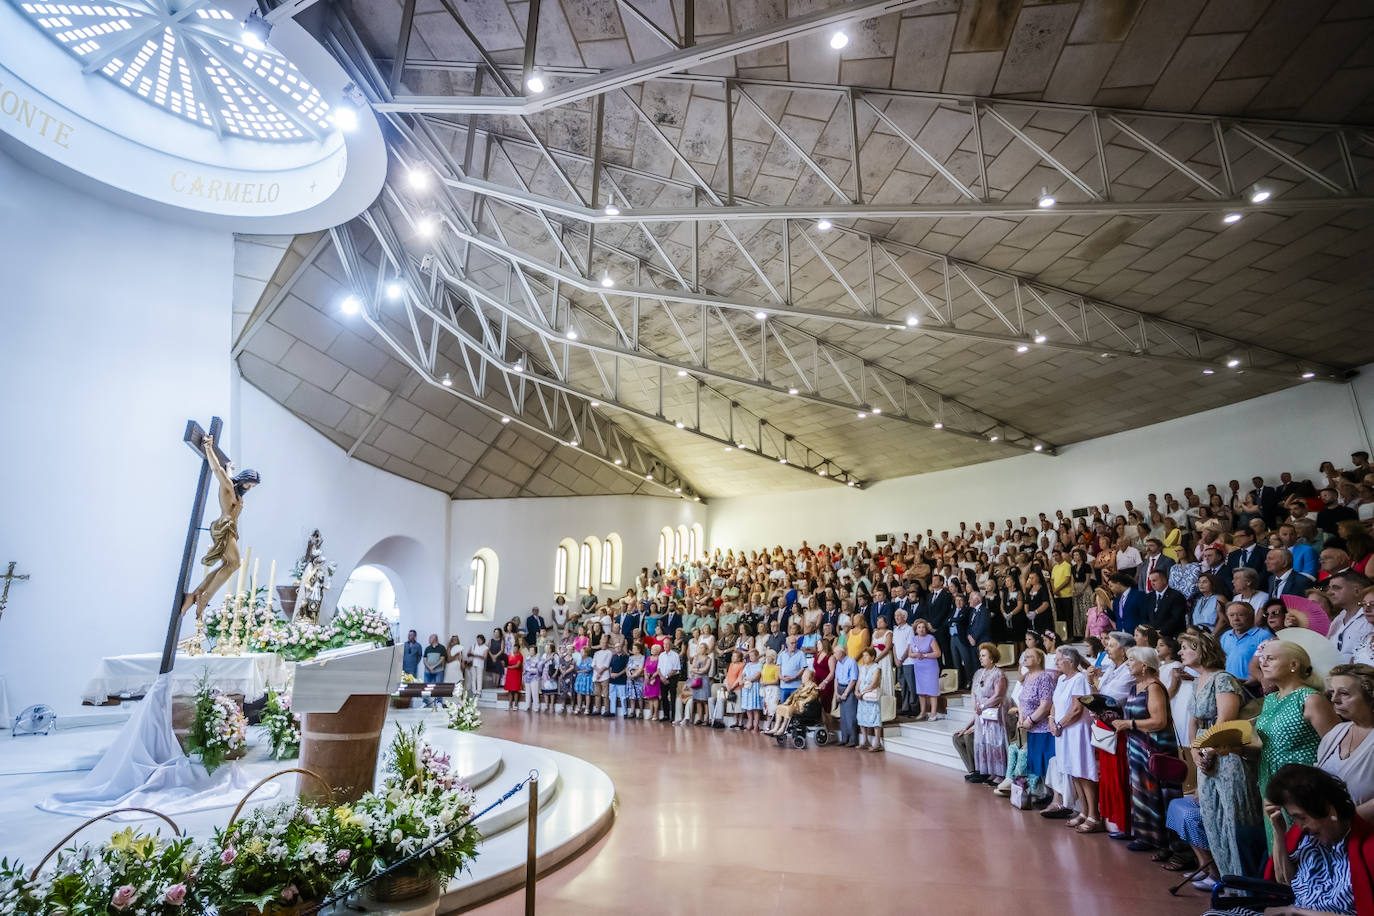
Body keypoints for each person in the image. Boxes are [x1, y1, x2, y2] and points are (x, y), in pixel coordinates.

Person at [1231, 764, 1374, 916]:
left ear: (1328, 809)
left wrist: (1298, 912)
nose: (1299, 826)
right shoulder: (1306, 840)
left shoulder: (1367, 849)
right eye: (1294, 818)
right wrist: (1278, 832)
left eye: (1302, 817)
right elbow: (1284, 882)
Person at [1183, 631, 1266, 884]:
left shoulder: (1223, 679)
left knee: (1233, 817)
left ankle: (1244, 885)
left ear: (1203, 649)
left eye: (1186, 647)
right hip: (1205, 750)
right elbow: (1194, 721)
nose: (1181, 652)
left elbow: (1225, 719)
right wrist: (1195, 752)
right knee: (1212, 818)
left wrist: (1208, 750)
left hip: (1226, 753)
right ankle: (1226, 881)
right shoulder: (1197, 682)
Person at [1253, 640, 1342, 845]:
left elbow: (1337, 747)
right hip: (1271, 780)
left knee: (1305, 845)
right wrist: (1237, 749)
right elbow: (1270, 745)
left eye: (1271, 658)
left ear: (1294, 665)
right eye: (1262, 658)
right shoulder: (1270, 699)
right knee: (1279, 844)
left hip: (1302, 785)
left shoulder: (1311, 699)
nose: (1263, 663)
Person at [1111, 646, 1177, 852]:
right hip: (1137, 747)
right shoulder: (1135, 687)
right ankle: (1146, 835)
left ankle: (1165, 842)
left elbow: (1159, 721)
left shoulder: (1154, 687)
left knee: (1156, 791)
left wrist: (1128, 724)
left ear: (1145, 665)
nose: (1128, 663)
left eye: (1132, 660)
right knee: (1141, 791)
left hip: (1154, 748)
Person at [1046, 647, 1099, 829]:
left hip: (1077, 731)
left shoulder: (1079, 679)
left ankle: (1093, 814)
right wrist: (1052, 720)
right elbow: (1054, 703)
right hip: (1063, 730)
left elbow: (1077, 709)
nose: (1056, 663)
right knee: (1072, 771)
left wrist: (1060, 724)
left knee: (1083, 772)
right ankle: (1083, 811)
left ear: (1070, 661)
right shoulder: (1061, 679)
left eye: (1059, 659)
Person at [1319, 663, 1374, 820]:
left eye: (1344, 693)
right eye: (1332, 693)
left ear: (1371, 697)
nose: (1334, 699)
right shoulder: (1336, 732)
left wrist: (1343, 820)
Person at [953, 643, 1007, 784]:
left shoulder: (998, 674)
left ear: (992, 658)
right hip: (980, 713)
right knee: (984, 743)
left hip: (993, 713)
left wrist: (983, 705)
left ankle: (999, 773)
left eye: (984, 655)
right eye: (980, 655)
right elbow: (974, 692)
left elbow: (998, 696)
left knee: (994, 742)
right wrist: (976, 704)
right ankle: (988, 771)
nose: (980, 658)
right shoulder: (978, 673)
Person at [1016, 647, 1057, 804]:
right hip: (1030, 727)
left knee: (1045, 761)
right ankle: (1046, 793)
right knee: (1037, 761)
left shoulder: (1044, 677)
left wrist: (1031, 720)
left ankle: (1053, 795)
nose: (1025, 659)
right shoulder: (1028, 676)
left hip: (1042, 727)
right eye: (1025, 656)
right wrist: (1021, 717)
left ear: (1039, 659)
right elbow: (1022, 700)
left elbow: (1046, 704)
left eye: (1029, 657)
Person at [763, 669, 821, 736]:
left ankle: (782, 728)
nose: (802, 677)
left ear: (809, 677)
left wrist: (802, 703)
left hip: (803, 707)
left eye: (805, 675)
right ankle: (775, 728)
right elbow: (793, 695)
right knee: (779, 707)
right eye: (803, 675)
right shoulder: (802, 686)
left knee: (788, 709)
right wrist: (786, 702)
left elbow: (812, 697)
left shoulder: (813, 686)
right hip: (794, 705)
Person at [908, 618, 942, 721]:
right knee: (921, 691)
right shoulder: (913, 639)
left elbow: (938, 653)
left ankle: (933, 713)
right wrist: (916, 654)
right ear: (916, 629)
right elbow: (910, 654)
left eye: (923, 627)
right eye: (919, 627)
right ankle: (923, 712)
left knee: (932, 690)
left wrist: (925, 655)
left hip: (930, 667)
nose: (921, 629)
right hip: (919, 667)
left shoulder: (931, 638)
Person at [855, 647, 884, 752]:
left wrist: (862, 692)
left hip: (870, 695)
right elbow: (858, 681)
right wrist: (856, 691)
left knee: (874, 718)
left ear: (872, 657)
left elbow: (874, 683)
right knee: (862, 718)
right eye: (863, 656)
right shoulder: (862, 667)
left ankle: (877, 743)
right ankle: (865, 740)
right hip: (862, 696)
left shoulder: (876, 668)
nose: (864, 658)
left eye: (867, 655)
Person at [834, 643, 859, 747]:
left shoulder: (851, 661)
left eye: (835, 653)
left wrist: (845, 693)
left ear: (841, 653)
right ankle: (844, 738)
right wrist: (836, 692)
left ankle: (853, 739)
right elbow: (836, 678)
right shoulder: (838, 663)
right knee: (843, 716)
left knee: (850, 716)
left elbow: (853, 679)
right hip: (840, 687)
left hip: (848, 689)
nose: (834, 655)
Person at [739, 648, 764, 733]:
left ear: (757, 656)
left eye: (753, 656)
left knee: (755, 707)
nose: (751, 657)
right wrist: (742, 680)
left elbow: (757, 675)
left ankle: (756, 725)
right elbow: (742, 674)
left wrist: (748, 679)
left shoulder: (760, 664)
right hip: (747, 687)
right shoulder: (748, 664)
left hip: (755, 686)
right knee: (748, 707)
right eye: (750, 656)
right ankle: (749, 723)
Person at [422, 634, 448, 707]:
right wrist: (429, 667)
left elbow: (442, 659)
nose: (429, 639)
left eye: (430, 638)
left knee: (438, 687)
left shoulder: (441, 648)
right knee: (426, 686)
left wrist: (433, 667)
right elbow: (424, 660)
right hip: (427, 671)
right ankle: (425, 702)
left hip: (438, 671)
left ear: (435, 639)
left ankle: (439, 702)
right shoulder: (427, 648)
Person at [643, 644, 662, 721]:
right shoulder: (648, 658)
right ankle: (651, 714)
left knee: (655, 698)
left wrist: (652, 676)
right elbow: (645, 669)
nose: (652, 650)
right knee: (650, 698)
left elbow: (659, 669)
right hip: (648, 679)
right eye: (652, 649)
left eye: (654, 649)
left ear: (658, 651)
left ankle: (655, 714)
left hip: (655, 679)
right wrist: (646, 676)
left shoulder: (659, 659)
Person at [504, 642, 525, 711]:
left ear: (518, 649)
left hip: (516, 674)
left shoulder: (520, 656)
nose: (514, 649)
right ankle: (509, 705)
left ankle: (515, 705)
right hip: (509, 674)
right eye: (513, 648)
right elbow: (505, 663)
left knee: (516, 690)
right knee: (510, 690)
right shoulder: (509, 655)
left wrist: (508, 667)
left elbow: (517, 665)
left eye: (515, 648)